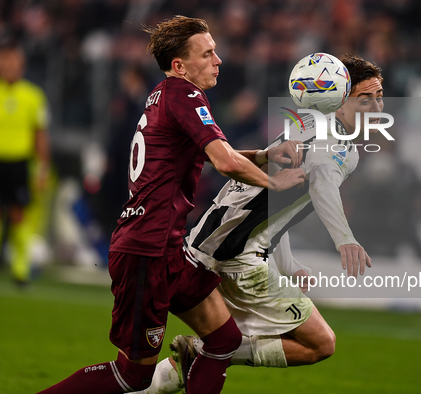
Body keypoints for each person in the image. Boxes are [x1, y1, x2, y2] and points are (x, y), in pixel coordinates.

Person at [35, 16, 305, 394]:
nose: (218, 60)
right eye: (207, 53)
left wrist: (263, 154)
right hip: (146, 250)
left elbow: (216, 155)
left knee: (223, 340)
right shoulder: (185, 95)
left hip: (167, 249)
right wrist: (274, 183)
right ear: (179, 65)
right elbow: (226, 162)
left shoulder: (165, 94)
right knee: (132, 375)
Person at [134, 54, 383, 394]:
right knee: (319, 343)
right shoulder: (337, 148)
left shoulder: (302, 126)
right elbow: (322, 184)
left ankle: (160, 377)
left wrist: (289, 265)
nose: (376, 105)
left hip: (207, 248)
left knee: (220, 339)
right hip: (236, 259)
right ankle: (198, 354)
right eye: (364, 98)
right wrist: (345, 239)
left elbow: (271, 212)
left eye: (380, 95)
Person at [0, 44, 50, 287]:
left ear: (22, 67)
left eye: (14, 64)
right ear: (0, 66)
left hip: (19, 162)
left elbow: (40, 135)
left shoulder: (33, 96)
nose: (10, 68)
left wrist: (42, 167)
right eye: (6, 64)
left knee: (19, 215)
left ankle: (20, 269)